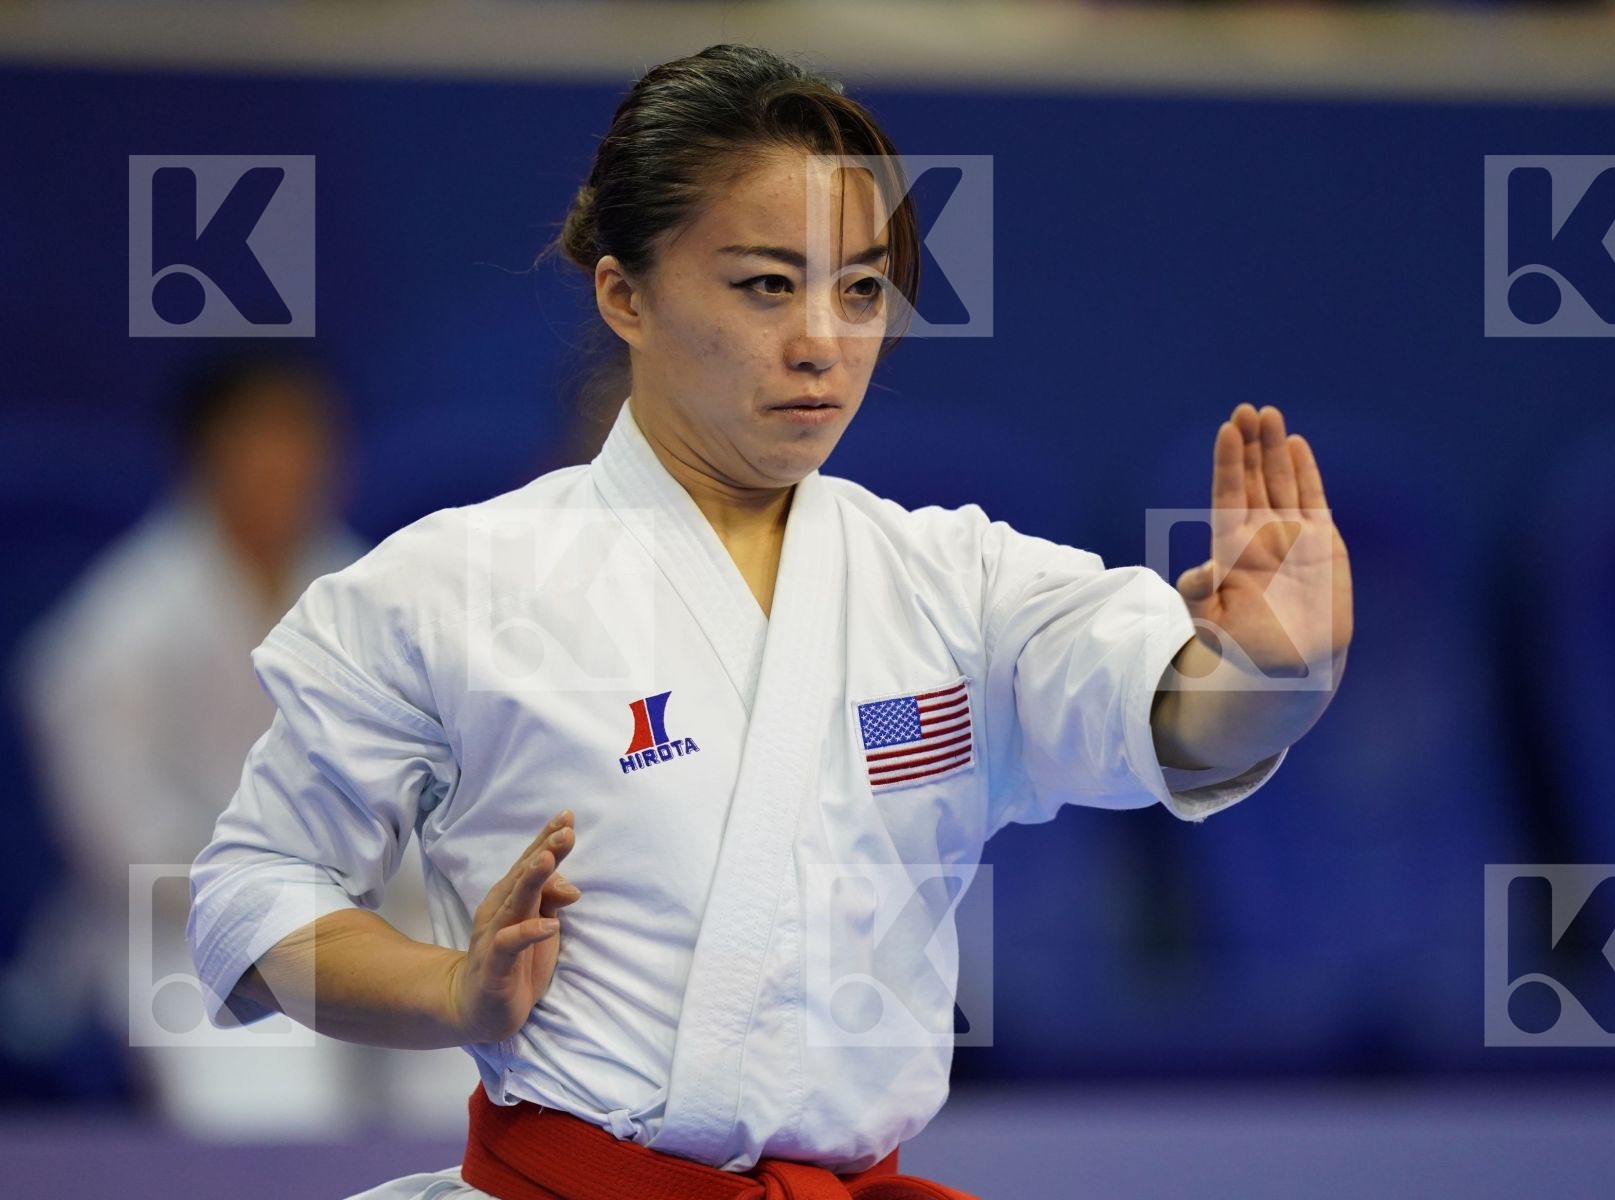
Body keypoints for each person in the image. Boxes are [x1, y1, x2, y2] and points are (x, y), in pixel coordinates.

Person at [186, 43, 1352, 1199]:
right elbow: (253, 889)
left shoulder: (954, 579)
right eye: (763, 284)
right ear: (623, 294)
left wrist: (1277, 675)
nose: (821, 342)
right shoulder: (450, 588)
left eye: (858, 290)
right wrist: (451, 992)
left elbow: (1177, 715)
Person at [12, 346, 473, 1138]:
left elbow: (430, 782)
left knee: (461, 1066)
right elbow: (118, 841)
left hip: (369, 908)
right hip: (176, 930)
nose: (282, 466)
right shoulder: (112, 633)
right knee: (273, 1097)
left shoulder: (370, 594)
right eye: (257, 441)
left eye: (302, 441)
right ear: (203, 456)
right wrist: (280, 893)